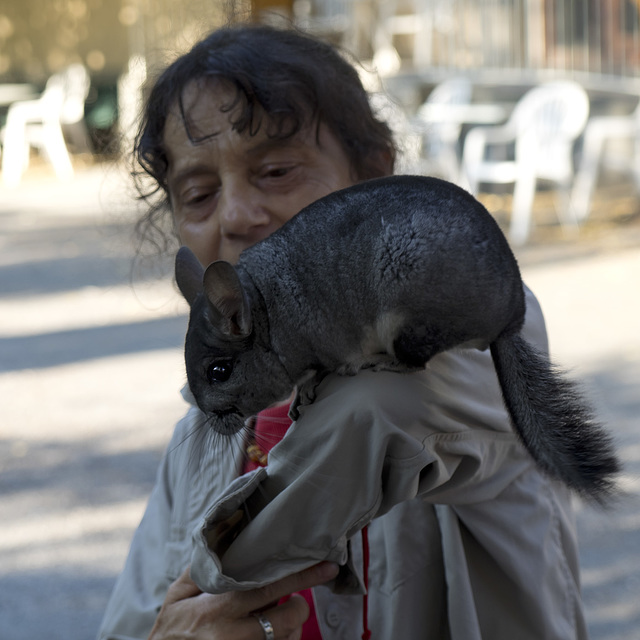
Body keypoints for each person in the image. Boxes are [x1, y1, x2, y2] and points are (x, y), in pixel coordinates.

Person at [98, 23, 589, 640]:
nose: (239, 214)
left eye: (276, 171)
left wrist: (217, 574)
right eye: (198, 193)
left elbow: (373, 416)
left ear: (374, 181)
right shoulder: (203, 438)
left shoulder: (468, 357)